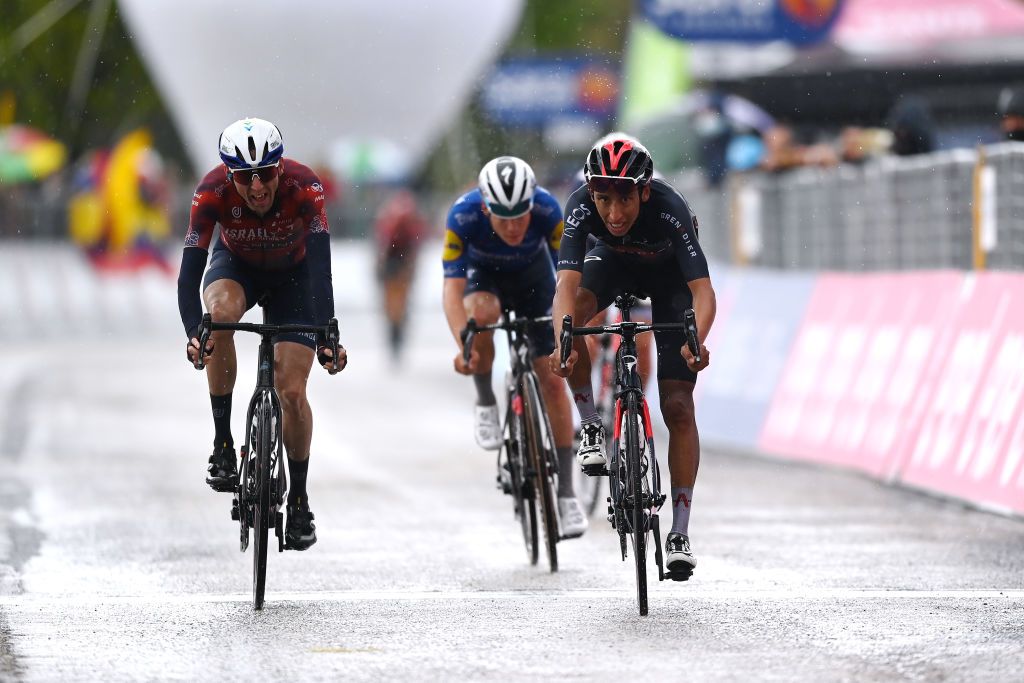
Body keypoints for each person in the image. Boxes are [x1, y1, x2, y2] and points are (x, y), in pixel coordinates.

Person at [177, 117, 347, 551]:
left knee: (292, 391)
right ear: (229, 175)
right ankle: (222, 443)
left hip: (295, 278)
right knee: (218, 316)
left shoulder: (305, 186)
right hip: (237, 269)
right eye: (244, 178)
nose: (256, 188)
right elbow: (190, 273)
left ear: (280, 169)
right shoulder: (211, 191)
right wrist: (194, 332)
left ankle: (301, 502)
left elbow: (321, 270)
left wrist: (328, 332)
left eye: (266, 175)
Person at [550, 138, 716, 575]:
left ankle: (679, 531)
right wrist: (562, 341)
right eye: (604, 200)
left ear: (644, 190)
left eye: (624, 198)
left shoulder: (668, 207)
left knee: (678, 406)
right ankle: (590, 425)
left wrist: (695, 339)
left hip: (669, 278)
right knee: (575, 323)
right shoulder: (581, 206)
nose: (614, 213)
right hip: (611, 263)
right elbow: (565, 288)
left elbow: (702, 291)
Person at [442, 156, 587, 538]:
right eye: (502, 217)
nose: (512, 226)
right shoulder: (464, 215)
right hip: (483, 281)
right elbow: (452, 291)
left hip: (535, 282)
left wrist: (565, 337)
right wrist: (464, 344)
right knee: (482, 315)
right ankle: (486, 400)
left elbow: (569, 281)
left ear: (531, 204)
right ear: (485, 206)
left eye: (520, 217)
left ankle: (568, 493)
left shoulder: (547, 209)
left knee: (554, 382)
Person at [374, 189, 426, 361]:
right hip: (397, 265)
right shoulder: (403, 222)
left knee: (395, 305)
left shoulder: (392, 221)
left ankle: (396, 333)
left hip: (397, 265)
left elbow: (384, 247)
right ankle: (396, 333)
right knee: (396, 304)